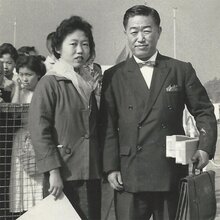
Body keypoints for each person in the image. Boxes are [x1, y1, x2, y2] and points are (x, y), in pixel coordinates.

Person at [100, 5, 217, 220]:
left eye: (147, 30)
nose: (140, 38)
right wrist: (110, 168)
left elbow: (204, 111)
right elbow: (107, 126)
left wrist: (205, 149)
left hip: (170, 172)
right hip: (128, 174)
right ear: (125, 33)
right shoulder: (113, 76)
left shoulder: (180, 70)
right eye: (134, 32)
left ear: (159, 32)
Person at [28, 16, 102, 220]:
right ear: (58, 48)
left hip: (90, 174)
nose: (80, 50)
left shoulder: (87, 83)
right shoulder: (50, 83)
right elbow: (39, 131)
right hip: (62, 176)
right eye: (74, 44)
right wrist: (53, 172)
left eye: (85, 44)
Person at [9, 55, 46, 213]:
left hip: (39, 138)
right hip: (22, 140)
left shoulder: (43, 91)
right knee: (23, 182)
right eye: (21, 74)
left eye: (28, 74)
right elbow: (13, 113)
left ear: (38, 74)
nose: (24, 78)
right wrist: (18, 88)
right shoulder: (20, 92)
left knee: (39, 182)